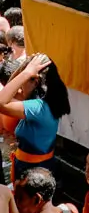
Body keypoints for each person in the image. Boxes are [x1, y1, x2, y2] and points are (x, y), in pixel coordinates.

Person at [0, 55, 70, 183]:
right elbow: (10, 92)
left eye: (24, 81)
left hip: (33, 171)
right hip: (36, 166)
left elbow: (1, 103)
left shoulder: (38, 108)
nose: (20, 87)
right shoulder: (44, 102)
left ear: (35, 81)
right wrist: (24, 71)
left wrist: (27, 72)